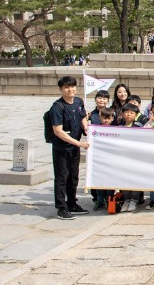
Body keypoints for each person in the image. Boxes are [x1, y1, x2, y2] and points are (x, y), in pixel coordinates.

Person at [49, 76, 90, 220]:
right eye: (67, 87)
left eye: (72, 86)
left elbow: (83, 116)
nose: (70, 89)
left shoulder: (78, 101)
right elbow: (57, 131)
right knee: (61, 178)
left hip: (74, 148)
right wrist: (78, 143)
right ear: (61, 89)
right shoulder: (57, 107)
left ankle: (72, 203)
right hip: (62, 148)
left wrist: (85, 126)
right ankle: (61, 207)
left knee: (73, 176)